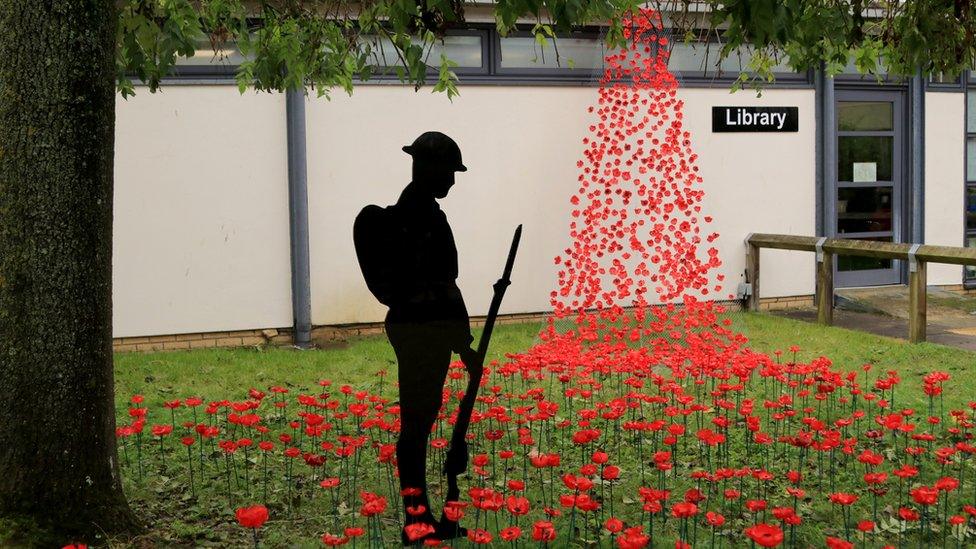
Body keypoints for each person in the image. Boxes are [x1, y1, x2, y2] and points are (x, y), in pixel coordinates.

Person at [353, 131, 480, 545]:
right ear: (426, 167)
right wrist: (461, 342)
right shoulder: (406, 219)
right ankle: (416, 520)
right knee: (416, 425)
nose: (453, 181)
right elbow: (438, 286)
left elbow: (449, 284)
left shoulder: (432, 215)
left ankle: (424, 515)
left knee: (422, 419)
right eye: (449, 171)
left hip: (435, 329)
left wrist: (462, 344)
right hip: (420, 330)